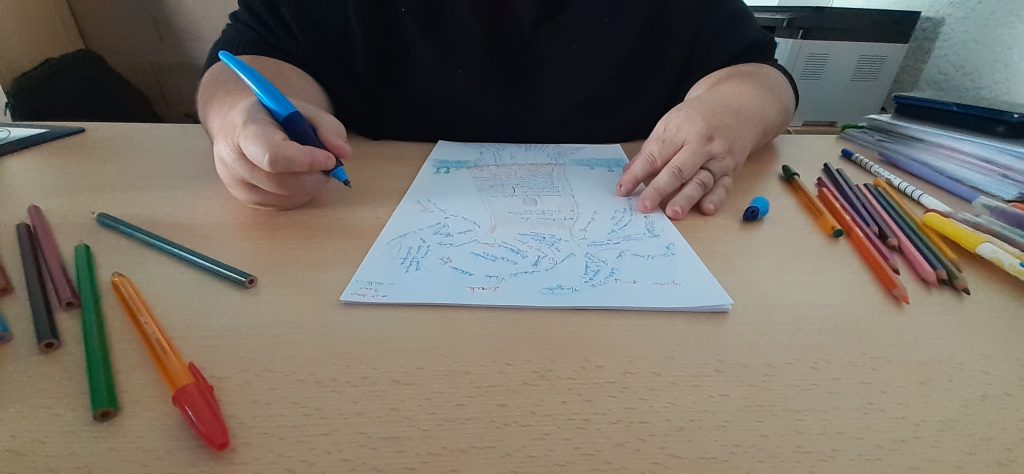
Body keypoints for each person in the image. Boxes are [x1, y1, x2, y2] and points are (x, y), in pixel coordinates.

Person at [198, 1, 797, 218]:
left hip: (639, 275)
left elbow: (760, 75)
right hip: (355, 264)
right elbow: (252, 57)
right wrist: (241, 118)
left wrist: (731, 113)